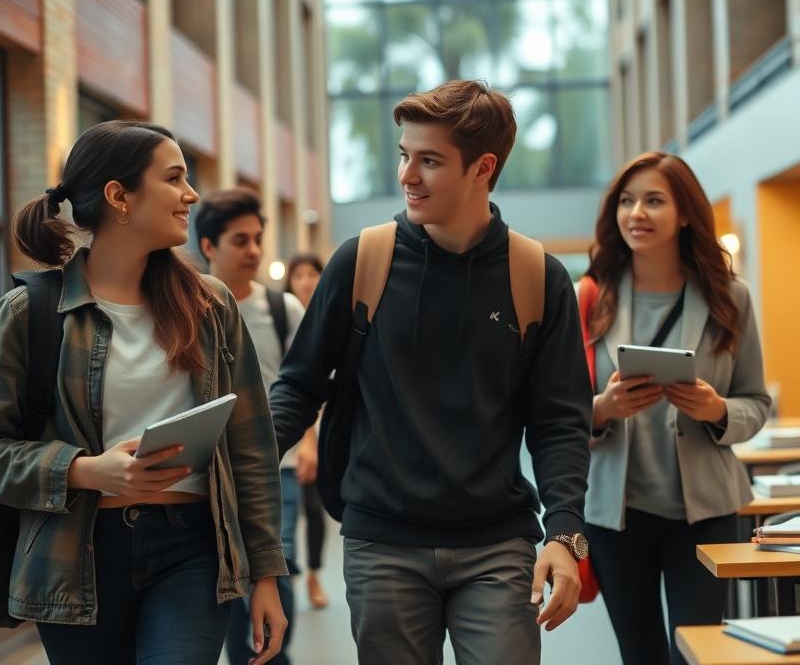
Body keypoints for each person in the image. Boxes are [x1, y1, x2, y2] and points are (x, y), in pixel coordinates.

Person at [271, 79, 593, 665]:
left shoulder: (537, 277)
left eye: (430, 160)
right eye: (404, 156)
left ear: (482, 167)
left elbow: (561, 421)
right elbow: (299, 387)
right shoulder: (362, 261)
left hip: (499, 544)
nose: (407, 176)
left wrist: (566, 535)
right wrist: (228, 471)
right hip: (381, 542)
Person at [0, 120, 288, 664]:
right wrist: (85, 470)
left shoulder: (211, 305)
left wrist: (267, 574)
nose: (191, 194)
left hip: (193, 549)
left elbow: (250, 445)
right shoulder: (28, 313)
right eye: (175, 178)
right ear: (118, 196)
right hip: (74, 556)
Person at [578, 151, 771, 665]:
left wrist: (717, 410)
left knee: (697, 655)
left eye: (654, 201)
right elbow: (558, 412)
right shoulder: (590, 298)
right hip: (614, 516)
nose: (636, 212)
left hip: (705, 511)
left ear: (685, 212)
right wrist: (602, 408)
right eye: (627, 201)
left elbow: (757, 401)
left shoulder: (731, 297)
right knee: (640, 655)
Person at [196, 188, 314, 665]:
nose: (253, 251)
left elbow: (307, 385)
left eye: (258, 239)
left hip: (275, 467)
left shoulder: (283, 310)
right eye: (239, 240)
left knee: (274, 565)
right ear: (208, 246)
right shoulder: (189, 308)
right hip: (206, 475)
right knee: (222, 579)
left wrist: (309, 445)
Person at [283, 252, 330, 610]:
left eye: (311, 274)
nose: (305, 281)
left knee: (314, 508)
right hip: (294, 424)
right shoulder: (282, 313)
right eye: (298, 275)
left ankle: (313, 575)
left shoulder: (332, 311)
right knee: (287, 513)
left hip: (323, 428)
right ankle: (293, 576)